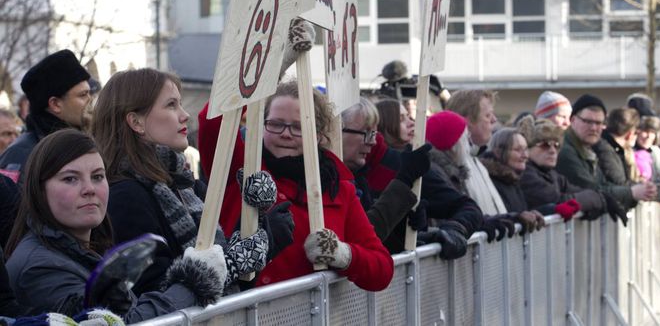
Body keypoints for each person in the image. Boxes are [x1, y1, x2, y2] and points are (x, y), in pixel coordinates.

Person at [4, 129, 228, 320]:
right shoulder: (39, 267)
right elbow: (120, 324)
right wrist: (190, 285)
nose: (89, 188)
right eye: (70, 178)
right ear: (39, 190)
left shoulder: (84, 247)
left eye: (98, 176)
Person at [199, 81, 394, 291]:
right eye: (275, 123)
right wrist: (265, 75)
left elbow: (382, 270)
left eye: (298, 127)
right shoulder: (240, 167)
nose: (285, 133)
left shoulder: (336, 187)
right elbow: (212, 120)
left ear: (317, 134)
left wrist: (342, 254)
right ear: (260, 124)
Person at [92, 68, 273, 295]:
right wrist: (230, 266)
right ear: (136, 122)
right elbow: (155, 295)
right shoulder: (124, 196)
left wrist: (258, 218)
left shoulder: (185, 186)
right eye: (171, 105)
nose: (184, 114)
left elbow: (232, 281)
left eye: (180, 103)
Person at [365, 99, 499, 256]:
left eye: (409, 117)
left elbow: (467, 207)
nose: (411, 123)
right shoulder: (359, 169)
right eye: (401, 120)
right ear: (381, 127)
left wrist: (455, 229)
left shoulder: (415, 167)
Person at [424, 111, 542, 232]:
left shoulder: (456, 173)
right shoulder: (437, 175)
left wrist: (512, 218)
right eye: (465, 138)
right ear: (453, 143)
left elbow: (472, 219)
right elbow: (452, 223)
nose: (469, 144)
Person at [341, 98, 426, 242]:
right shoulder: (324, 182)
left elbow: (375, 244)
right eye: (366, 132)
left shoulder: (358, 178)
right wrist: (403, 183)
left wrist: (403, 226)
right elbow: (363, 237)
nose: (373, 141)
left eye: (373, 133)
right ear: (337, 131)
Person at [0, 50, 92, 182]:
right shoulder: (21, 154)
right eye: (82, 95)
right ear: (55, 104)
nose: (90, 100)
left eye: (89, 93)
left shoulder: (85, 142)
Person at [556, 94, 657, 210]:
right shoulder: (565, 151)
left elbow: (603, 185)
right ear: (573, 120)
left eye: (599, 123)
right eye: (587, 121)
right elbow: (591, 189)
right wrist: (630, 193)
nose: (594, 128)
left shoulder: (589, 148)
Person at [517, 116, 626, 223]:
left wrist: (604, 199)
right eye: (545, 145)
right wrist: (599, 199)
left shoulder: (552, 174)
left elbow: (577, 191)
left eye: (556, 145)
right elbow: (560, 200)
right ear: (527, 148)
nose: (552, 151)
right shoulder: (525, 174)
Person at [478, 128, 547, 227]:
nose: (525, 155)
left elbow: (520, 212)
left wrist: (535, 214)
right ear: (498, 152)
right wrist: (518, 218)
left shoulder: (513, 179)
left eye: (526, 149)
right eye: (518, 150)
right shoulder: (490, 181)